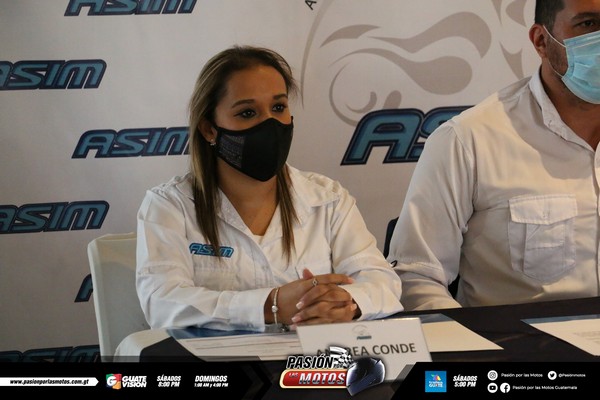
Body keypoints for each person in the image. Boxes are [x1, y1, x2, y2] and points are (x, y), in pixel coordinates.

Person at [136, 45, 403, 331]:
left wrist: (345, 304)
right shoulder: (170, 205)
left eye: (278, 108)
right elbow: (161, 302)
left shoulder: (329, 199)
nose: (270, 124)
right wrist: (269, 306)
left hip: (316, 357)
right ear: (209, 129)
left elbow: (382, 282)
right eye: (247, 112)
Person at [388, 0, 600, 310]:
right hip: (515, 339)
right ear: (541, 41)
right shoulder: (468, 140)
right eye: (588, 24)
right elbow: (415, 278)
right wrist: (468, 337)